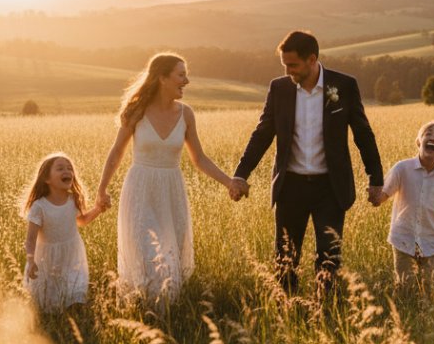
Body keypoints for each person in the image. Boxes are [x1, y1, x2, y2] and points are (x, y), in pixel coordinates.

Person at [232, 30, 384, 297]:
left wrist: (376, 179)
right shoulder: (279, 88)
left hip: (330, 188)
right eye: (285, 65)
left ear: (312, 59)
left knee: (329, 256)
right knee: (285, 257)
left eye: (293, 64)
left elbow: (363, 134)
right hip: (290, 186)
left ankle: (324, 310)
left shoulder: (344, 86)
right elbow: (263, 133)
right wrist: (241, 174)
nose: (288, 70)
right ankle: (287, 309)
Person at [97, 53, 241, 304]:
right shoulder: (137, 111)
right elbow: (117, 151)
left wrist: (229, 182)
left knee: (168, 254)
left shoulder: (186, 115)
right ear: (162, 78)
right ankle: (141, 309)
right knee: (146, 251)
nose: (187, 81)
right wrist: (102, 190)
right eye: (181, 75)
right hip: (140, 188)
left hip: (171, 191)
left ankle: (164, 317)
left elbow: (200, 158)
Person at [374, 121, 434, 301]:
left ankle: (428, 320)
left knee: (431, 292)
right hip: (403, 237)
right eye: (428, 133)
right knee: (404, 288)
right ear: (418, 141)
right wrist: (375, 197)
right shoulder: (402, 168)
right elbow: (383, 196)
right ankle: (404, 319)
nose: (432, 137)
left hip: (430, 240)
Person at [20, 152, 107, 313]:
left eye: (69, 168)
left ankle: (75, 310)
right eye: (60, 168)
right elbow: (31, 238)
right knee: (48, 297)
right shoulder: (39, 206)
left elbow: (82, 220)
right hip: (47, 255)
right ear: (47, 179)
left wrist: (98, 209)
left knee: (74, 285)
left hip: (71, 251)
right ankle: (52, 318)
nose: (67, 171)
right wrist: (31, 260)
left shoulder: (73, 199)